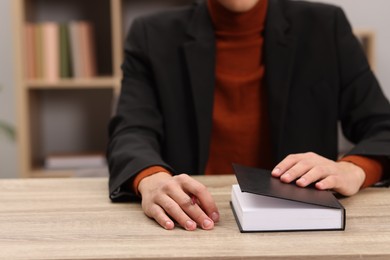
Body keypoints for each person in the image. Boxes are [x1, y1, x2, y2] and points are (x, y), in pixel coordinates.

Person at [107, 0, 390, 231]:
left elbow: (383, 126)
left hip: (302, 226)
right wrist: (151, 178)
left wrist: (354, 169)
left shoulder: (325, 26)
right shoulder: (151, 34)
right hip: (191, 224)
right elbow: (131, 131)